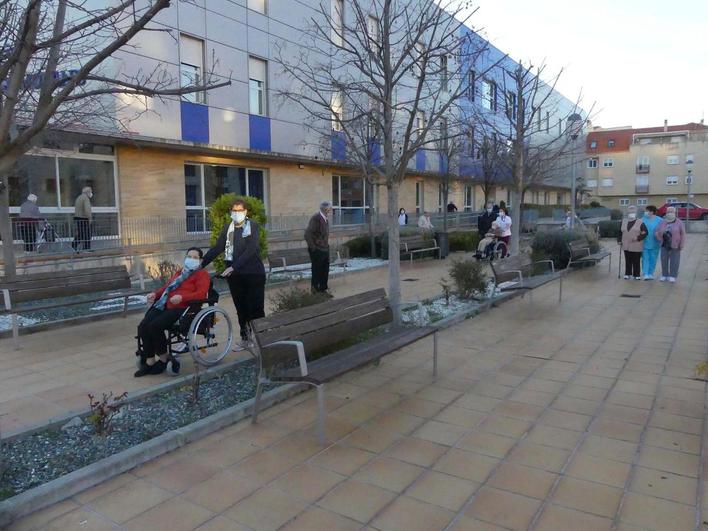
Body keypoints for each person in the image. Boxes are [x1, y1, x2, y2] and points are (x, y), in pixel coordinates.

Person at [135, 247, 209, 377]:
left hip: (183, 308)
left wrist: (182, 297)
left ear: (200, 260)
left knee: (155, 326)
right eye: (189, 256)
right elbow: (167, 287)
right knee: (143, 326)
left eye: (195, 258)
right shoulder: (180, 272)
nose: (191, 259)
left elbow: (201, 294)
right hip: (165, 304)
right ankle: (150, 360)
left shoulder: (202, 274)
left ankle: (164, 359)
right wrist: (155, 294)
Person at [202, 199, 266, 347]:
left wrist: (233, 267)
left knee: (255, 308)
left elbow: (251, 250)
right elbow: (218, 248)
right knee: (241, 308)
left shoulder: (253, 226)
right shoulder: (227, 228)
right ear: (231, 212)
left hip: (253, 274)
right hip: (236, 276)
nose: (237, 213)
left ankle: (261, 339)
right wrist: (200, 264)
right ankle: (245, 338)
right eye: (234, 211)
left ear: (245, 212)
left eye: (240, 210)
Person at [305, 200, 332, 293]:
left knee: (325, 270)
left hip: (324, 249)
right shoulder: (316, 218)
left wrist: (326, 247)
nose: (331, 210)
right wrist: (313, 248)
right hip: (317, 250)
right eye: (330, 208)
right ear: (326, 209)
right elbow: (308, 233)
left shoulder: (325, 219)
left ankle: (323, 290)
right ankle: (315, 291)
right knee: (317, 270)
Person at [655, 206, 685, 283]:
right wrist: (659, 238)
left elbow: (683, 234)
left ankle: (673, 275)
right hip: (664, 244)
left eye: (671, 212)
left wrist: (681, 243)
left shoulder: (679, 222)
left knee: (674, 260)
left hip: (675, 244)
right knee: (664, 260)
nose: (670, 213)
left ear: (674, 213)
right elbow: (656, 232)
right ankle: (664, 275)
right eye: (668, 212)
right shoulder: (662, 222)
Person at [618, 206, 648, 280]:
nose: (631, 214)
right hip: (626, 244)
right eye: (630, 212)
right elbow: (619, 232)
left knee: (636, 260)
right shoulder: (623, 221)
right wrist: (619, 240)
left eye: (633, 212)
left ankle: (636, 274)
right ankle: (627, 274)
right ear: (627, 213)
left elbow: (645, 232)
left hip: (636, 245)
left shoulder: (640, 222)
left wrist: (638, 238)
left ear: (636, 213)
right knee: (627, 260)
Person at [641, 205, 662, 280]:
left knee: (653, 258)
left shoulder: (659, 220)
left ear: (652, 212)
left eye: (647, 211)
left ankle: (651, 273)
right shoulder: (642, 219)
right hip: (645, 242)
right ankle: (645, 273)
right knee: (645, 258)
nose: (645, 212)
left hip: (655, 242)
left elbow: (662, 230)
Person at [72, 186, 92, 251]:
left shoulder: (79, 197)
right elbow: (87, 210)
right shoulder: (85, 198)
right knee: (87, 235)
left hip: (78, 218)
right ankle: (86, 248)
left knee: (81, 233)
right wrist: (89, 218)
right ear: (87, 192)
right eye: (90, 192)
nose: (91, 193)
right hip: (84, 218)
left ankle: (74, 244)